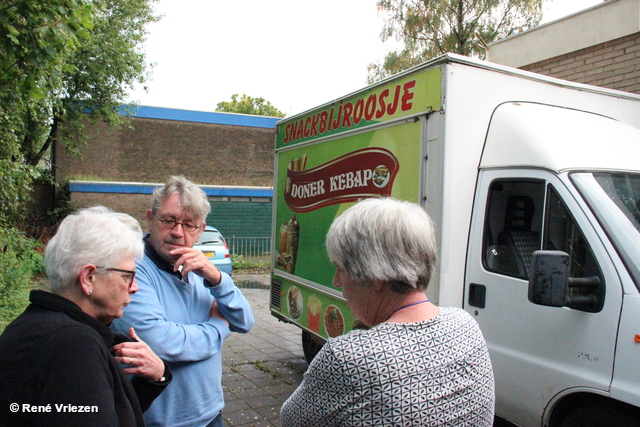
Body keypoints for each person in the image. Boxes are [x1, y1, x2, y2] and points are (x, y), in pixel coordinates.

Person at [280, 197, 495, 426]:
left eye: (340, 269)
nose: (336, 282)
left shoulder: (348, 358)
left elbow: (291, 421)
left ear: (376, 275)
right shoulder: (465, 325)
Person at [0, 206, 172, 427]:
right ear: (89, 278)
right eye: (128, 276)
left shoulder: (37, 326)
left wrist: (155, 379)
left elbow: (101, 411)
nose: (135, 287)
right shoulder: (72, 345)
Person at [111, 175, 254, 427]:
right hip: (163, 421)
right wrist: (219, 327)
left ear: (200, 231)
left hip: (211, 413)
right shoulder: (131, 269)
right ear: (149, 218)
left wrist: (218, 279)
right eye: (169, 220)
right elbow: (159, 341)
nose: (178, 232)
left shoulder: (198, 269)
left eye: (189, 225)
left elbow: (244, 321)